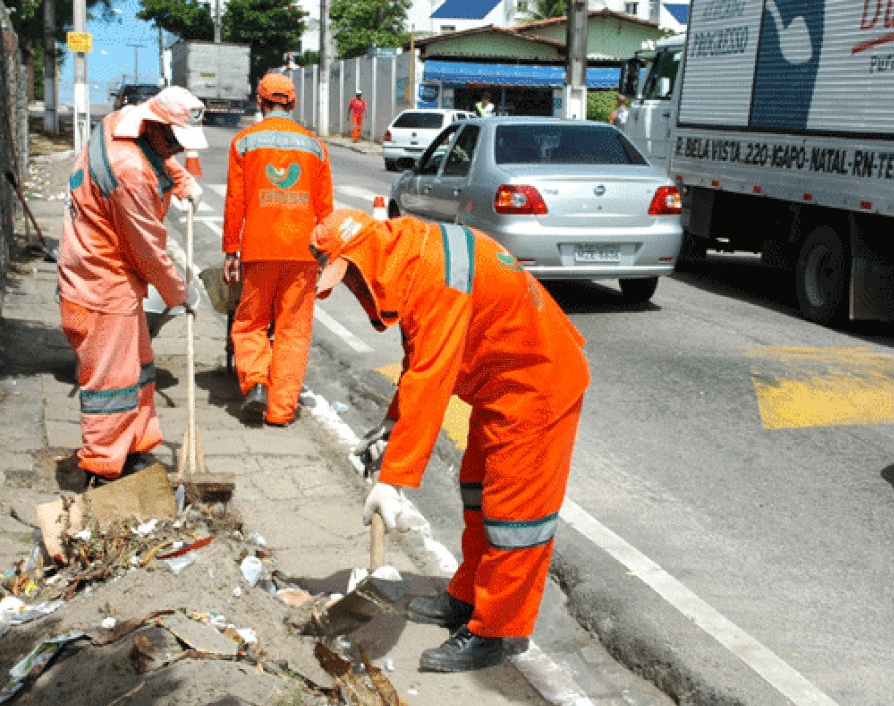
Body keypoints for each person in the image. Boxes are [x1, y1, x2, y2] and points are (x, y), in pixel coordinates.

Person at [310, 210, 590, 672]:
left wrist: (393, 480)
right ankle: (465, 598)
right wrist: (391, 425)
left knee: (515, 521)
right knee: (478, 495)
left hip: (538, 388)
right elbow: (419, 360)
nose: (356, 293)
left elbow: (432, 376)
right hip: (501, 383)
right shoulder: (410, 259)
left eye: (353, 280)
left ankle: (495, 630)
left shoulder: (433, 277)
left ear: (368, 257)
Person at [57, 86, 206, 488]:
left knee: (136, 372)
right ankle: (105, 471)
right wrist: (181, 293)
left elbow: (155, 156)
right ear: (155, 124)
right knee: (111, 387)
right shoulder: (130, 173)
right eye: (173, 139)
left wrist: (181, 181)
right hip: (102, 287)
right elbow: (149, 252)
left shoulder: (119, 124)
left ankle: (133, 449)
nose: (175, 148)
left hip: (104, 279)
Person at [222, 72, 334, 426]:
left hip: (258, 249)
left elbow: (234, 202)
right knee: (293, 331)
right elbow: (325, 208)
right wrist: (327, 255)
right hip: (303, 253)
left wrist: (230, 250)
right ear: (293, 102)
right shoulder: (315, 146)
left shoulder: (244, 142)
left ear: (260, 101)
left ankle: (256, 382)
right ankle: (281, 411)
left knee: (250, 323)